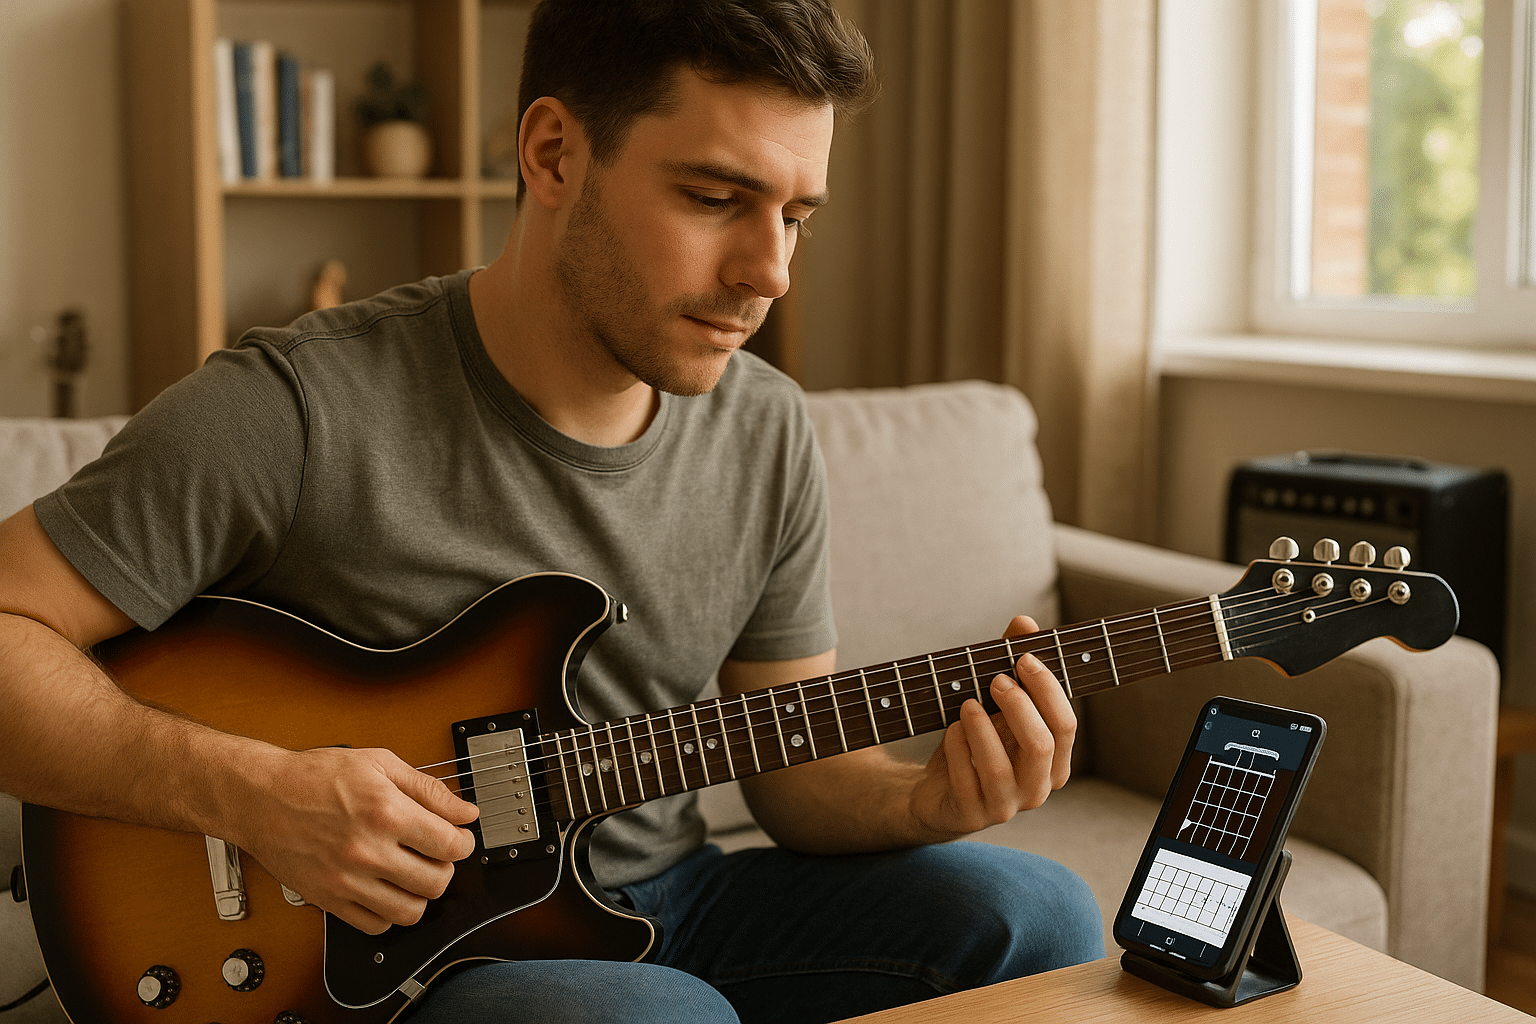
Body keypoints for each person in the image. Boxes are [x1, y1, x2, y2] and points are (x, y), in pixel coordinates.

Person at [0, 1, 1103, 1020]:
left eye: (796, 215)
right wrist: (258, 796)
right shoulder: (295, 407)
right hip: (403, 960)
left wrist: (922, 802)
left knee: (1039, 914)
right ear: (553, 153)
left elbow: (793, 767)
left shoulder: (767, 426)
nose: (769, 272)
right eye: (715, 198)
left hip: (670, 896)